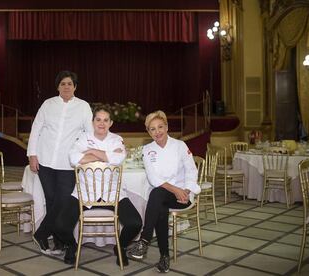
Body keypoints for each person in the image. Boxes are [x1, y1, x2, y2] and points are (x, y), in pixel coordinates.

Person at [54, 107, 142, 265]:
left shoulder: (116, 139)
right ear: (93, 122)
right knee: (60, 225)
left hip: (112, 192)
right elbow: (74, 158)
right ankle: (72, 246)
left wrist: (91, 152)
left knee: (135, 223)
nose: (102, 123)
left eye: (105, 120)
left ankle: (120, 247)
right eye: (98, 119)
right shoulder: (82, 137)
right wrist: (106, 156)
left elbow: (118, 158)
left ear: (111, 123)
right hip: (84, 192)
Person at [27, 70, 93, 255]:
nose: (66, 87)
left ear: (75, 87)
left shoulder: (83, 106)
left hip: (68, 163)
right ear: (58, 86)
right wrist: (32, 154)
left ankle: (41, 234)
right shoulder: (48, 104)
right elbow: (36, 129)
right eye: (63, 83)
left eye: (70, 84)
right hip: (45, 160)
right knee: (51, 200)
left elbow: (89, 135)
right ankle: (59, 241)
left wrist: (88, 155)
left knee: (62, 202)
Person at [128, 110, 200, 273]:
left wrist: (186, 190)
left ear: (167, 127)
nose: (157, 132)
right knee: (158, 197)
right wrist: (175, 189)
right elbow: (154, 179)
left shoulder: (180, 146)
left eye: (160, 127)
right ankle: (163, 257)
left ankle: (144, 241)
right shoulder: (147, 150)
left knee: (157, 197)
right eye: (152, 129)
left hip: (183, 196)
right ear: (148, 132)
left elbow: (191, 171)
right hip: (164, 195)